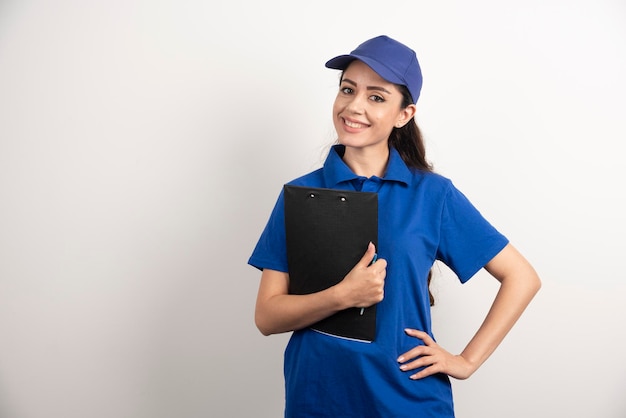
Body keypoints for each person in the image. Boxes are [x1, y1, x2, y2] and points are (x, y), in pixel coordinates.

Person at [248, 35, 541, 418]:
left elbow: (522, 277)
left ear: (404, 114)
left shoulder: (432, 195)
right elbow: (267, 317)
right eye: (347, 89)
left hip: (408, 400)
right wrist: (342, 296)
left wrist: (466, 361)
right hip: (318, 398)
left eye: (376, 96)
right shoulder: (301, 194)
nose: (353, 106)